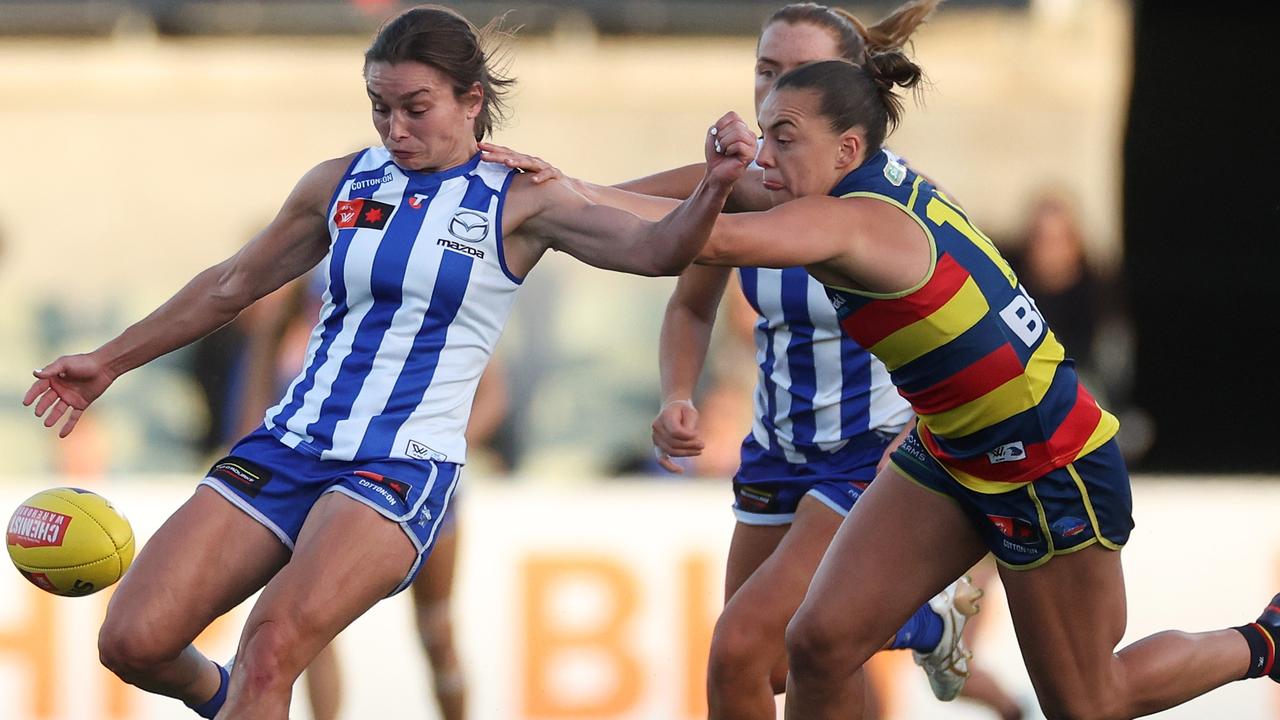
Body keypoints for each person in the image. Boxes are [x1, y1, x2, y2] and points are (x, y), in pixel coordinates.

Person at [492, 27, 1280, 720]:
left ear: (844, 150)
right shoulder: (850, 176)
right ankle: (932, 626)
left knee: (1090, 700)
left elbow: (693, 240)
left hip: (1047, 457)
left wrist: (548, 208)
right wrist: (558, 190)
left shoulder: (851, 219)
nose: (764, 157)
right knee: (819, 642)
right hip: (947, 447)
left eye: (782, 137)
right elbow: (681, 198)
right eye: (763, 129)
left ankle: (1265, 640)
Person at [20, 5, 756, 719]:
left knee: (272, 651)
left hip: (398, 466)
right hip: (291, 443)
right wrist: (110, 361)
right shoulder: (341, 182)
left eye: (415, 107)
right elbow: (230, 285)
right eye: (379, 107)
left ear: (472, 101)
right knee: (134, 640)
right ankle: (232, 701)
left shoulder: (524, 198)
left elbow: (657, 252)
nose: (395, 128)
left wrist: (717, 181)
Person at [486, 3, 1019, 717]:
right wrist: (678, 390)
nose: (775, 93)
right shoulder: (748, 177)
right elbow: (680, 287)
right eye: (766, 73)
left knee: (740, 650)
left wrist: (941, 448)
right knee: (784, 664)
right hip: (777, 451)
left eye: (797, 74)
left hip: (871, 456)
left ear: (845, 90)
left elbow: (976, 342)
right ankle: (924, 623)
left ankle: (922, 618)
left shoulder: (888, 207)